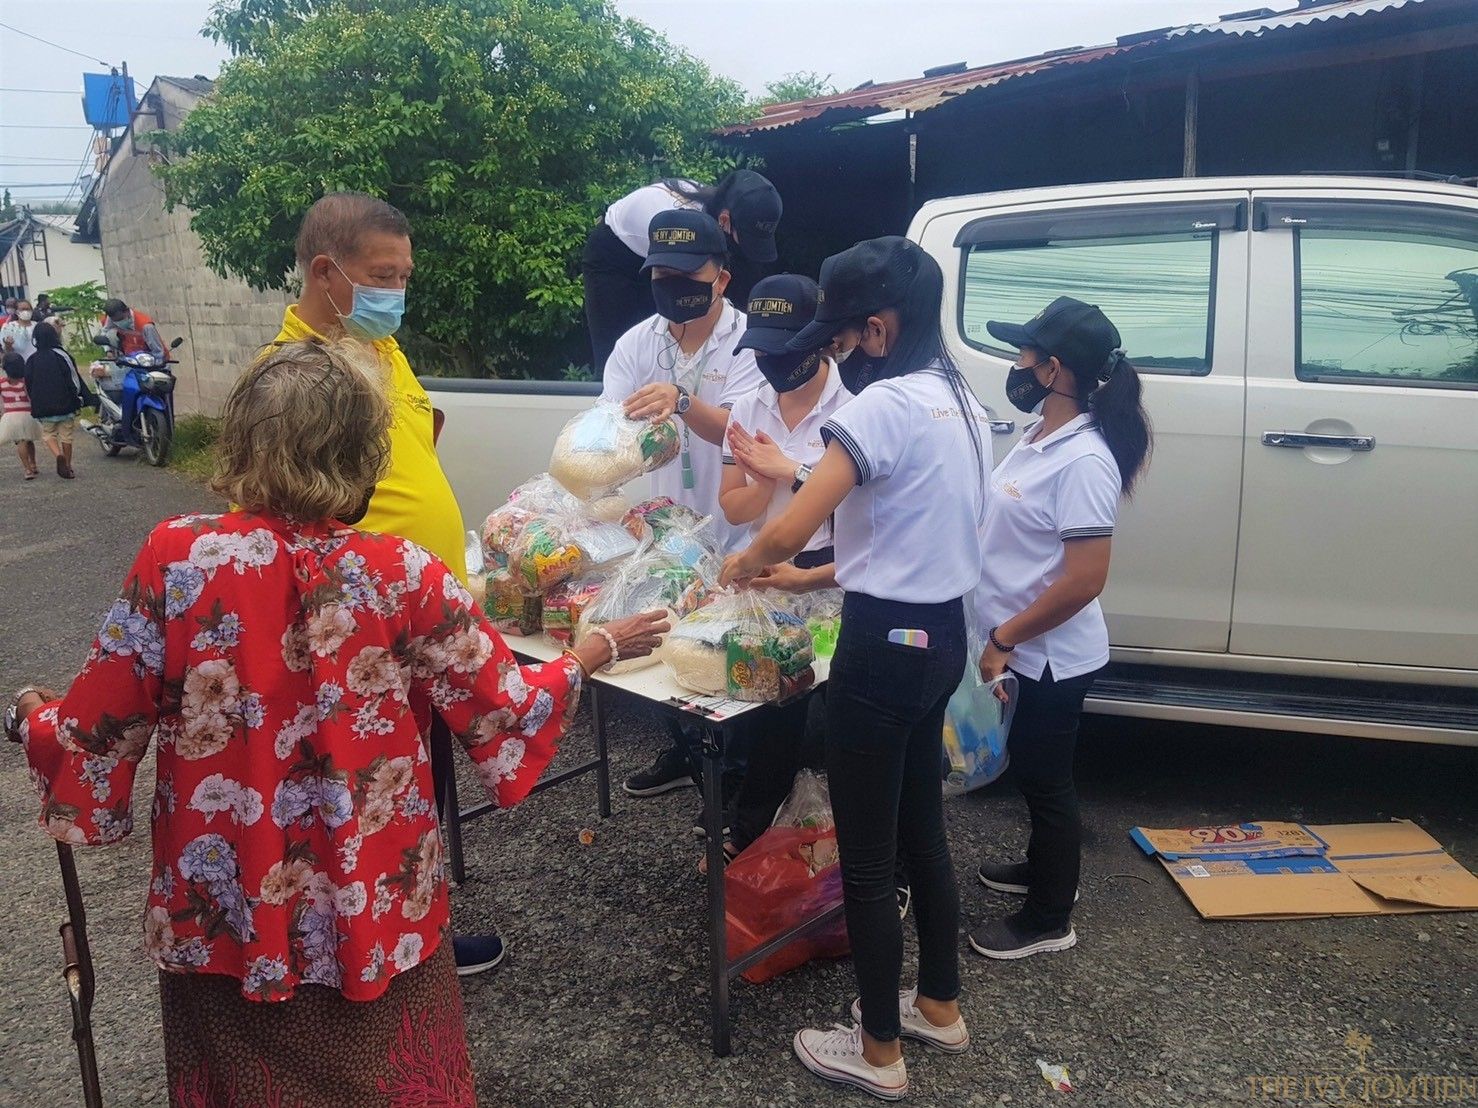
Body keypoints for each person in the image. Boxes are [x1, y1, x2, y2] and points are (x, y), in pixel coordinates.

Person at [7, 340, 669, 1107]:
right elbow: (506, 710)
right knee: (391, 1081)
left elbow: (94, 729)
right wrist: (593, 649)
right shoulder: (405, 572)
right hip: (375, 895)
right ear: (364, 450)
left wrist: (33, 718)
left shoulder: (177, 557)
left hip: (229, 902)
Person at [721, 236, 989, 1100]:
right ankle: (937, 1007)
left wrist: (743, 563)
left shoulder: (882, 408)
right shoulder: (962, 402)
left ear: (876, 327)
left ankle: (878, 1050)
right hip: (940, 636)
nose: (833, 348)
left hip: (880, 649)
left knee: (870, 859)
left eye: (840, 333)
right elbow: (906, 528)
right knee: (922, 836)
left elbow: (795, 520)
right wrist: (802, 572)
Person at [273, 191, 505, 975]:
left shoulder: (380, 349)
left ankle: (421, 930)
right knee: (370, 797)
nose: (395, 293)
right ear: (326, 271)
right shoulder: (294, 375)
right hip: (359, 630)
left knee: (419, 783)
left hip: (420, 620)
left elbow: (419, 435)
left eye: (404, 276)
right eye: (381, 275)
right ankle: (389, 951)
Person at [967, 297, 1152, 961]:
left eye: (1024, 354)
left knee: (1047, 781)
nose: (1014, 365)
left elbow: (1083, 579)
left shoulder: (1084, 459)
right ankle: (1046, 873)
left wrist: (1005, 637)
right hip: (1022, 644)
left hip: (1047, 655)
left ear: (1055, 369)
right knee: (1034, 773)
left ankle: (1049, 917)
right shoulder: (1042, 432)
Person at [599, 207, 765, 803]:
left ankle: (737, 789)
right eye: (660, 276)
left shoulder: (751, 342)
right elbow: (612, 427)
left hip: (737, 528)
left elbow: (745, 434)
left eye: (688, 277)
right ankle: (683, 753)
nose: (672, 289)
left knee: (730, 667)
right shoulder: (636, 343)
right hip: (664, 532)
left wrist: (683, 399)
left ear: (722, 277)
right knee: (669, 653)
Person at [712, 274, 849, 861]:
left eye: (784, 350)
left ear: (820, 343)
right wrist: (766, 474)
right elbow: (732, 504)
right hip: (764, 571)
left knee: (829, 718)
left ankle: (837, 839)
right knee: (767, 705)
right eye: (763, 351)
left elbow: (864, 522)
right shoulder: (748, 405)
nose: (771, 363)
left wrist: (787, 464)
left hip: (833, 574)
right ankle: (750, 827)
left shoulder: (858, 408)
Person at [583, 169, 781, 375]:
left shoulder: (717, 213)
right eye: (748, 237)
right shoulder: (682, 223)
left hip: (660, 254)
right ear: (724, 220)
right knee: (616, 351)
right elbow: (682, 279)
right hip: (615, 258)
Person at [24, 321, 88, 479]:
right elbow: (73, 378)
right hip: (65, 404)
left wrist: (34, 401)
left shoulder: (31, 359)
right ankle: (68, 465)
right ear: (54, 336)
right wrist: (77, 397)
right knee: (67, 435)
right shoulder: (62, 355)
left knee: (48, 434)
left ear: (35, 338)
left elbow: (28, 383)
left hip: (43, 406)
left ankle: (58, 454)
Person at [1, 351, 41, 479]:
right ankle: (34, 464)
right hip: (27, 414)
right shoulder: (25, 381)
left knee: (20, 442)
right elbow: (31, 397)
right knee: (29, 440)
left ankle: (27, 469)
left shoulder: (2, 383)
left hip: (11, 416)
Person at [100, 298, 166, 359]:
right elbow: (105, 332)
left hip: (153, 362)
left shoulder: (146, 326)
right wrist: (108, 350)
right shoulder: (112, 319)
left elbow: (158, 353)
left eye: (121, 319)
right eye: (115, 321)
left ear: (127, 311)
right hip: (131, 361)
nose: (119, 323)